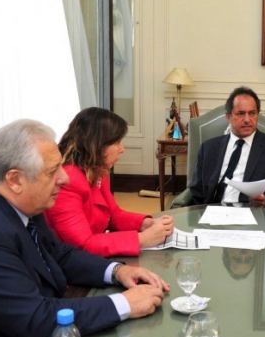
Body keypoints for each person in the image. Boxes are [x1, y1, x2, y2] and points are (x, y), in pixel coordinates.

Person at [0, 119, 169, 337]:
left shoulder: (20, 205)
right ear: (15, 180)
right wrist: (124, 303)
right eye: (52, 171)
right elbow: (34, 319)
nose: (65, 178)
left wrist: (117, 271)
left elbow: (59, 255)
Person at [45, 107, 174, 257]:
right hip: (68, 264)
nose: (122, 149)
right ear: (97, 145)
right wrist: (142, 239)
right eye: (117, 142)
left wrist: (146, 224)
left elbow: (112, 215)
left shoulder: (97, 170)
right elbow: (83, 245)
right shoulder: (67, 181)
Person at [190, 86, 265, 206]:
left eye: (252, 113)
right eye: (241, 113)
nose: (247, 119)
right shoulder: (208, 148)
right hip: (213, 211)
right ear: (228, 117)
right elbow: (196, 193)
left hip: (253, 212)